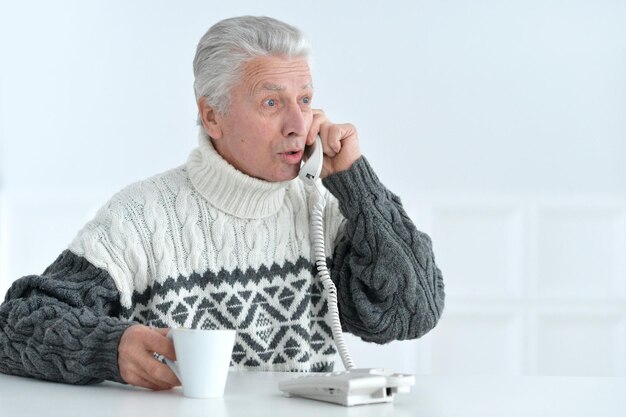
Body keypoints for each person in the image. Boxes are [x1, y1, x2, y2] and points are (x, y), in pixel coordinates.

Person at [0, 16, 445, 391]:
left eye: (305, 100)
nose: (298, 123)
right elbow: (14, 325)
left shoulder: (324, 210)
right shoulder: (141, 218)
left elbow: (413, 313)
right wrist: (109, 349)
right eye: (272, 102)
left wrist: (356, 183)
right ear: (212, 115)